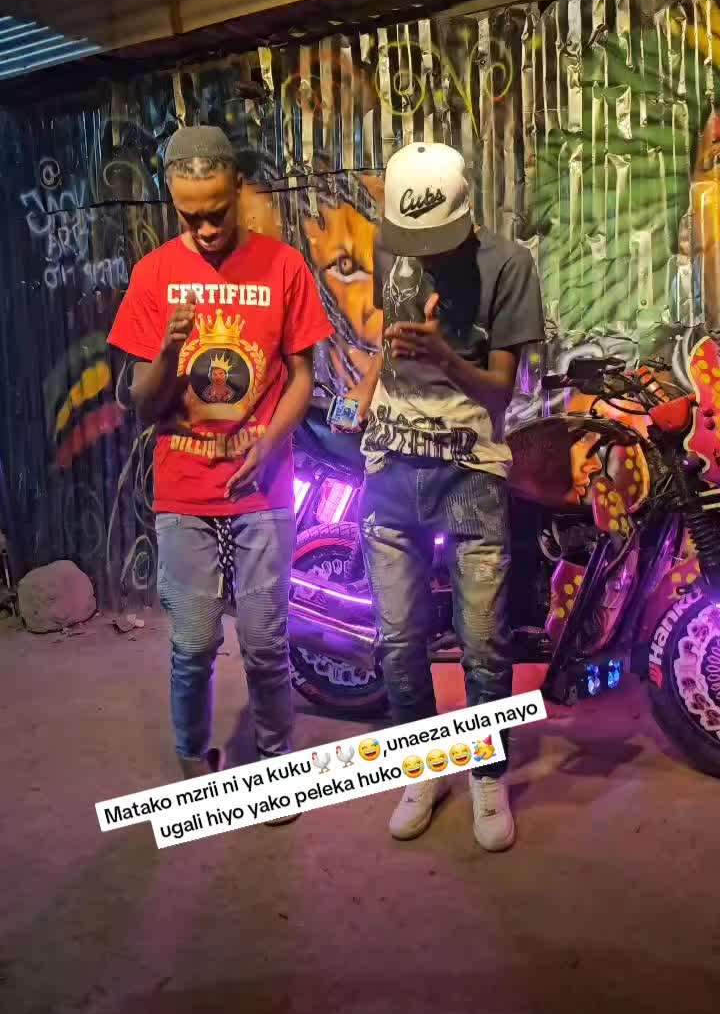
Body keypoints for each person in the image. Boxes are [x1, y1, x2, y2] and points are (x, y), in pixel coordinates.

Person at [107, 126, 333, 808]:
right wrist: (168, 352)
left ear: (238, 189)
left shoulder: (283, 267)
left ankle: (274, 764)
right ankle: (191, 754)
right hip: (184, 488)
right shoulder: (154, 276)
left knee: (265, 643)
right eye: (189, 216)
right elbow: (143, 404)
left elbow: (303, 377)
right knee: (195, 642)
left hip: (263, 487)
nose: (204, 229)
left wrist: (271, 442)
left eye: (216, 212)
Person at [350, 141, 545, 849]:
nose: (420, 256)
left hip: (472, 474)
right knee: (400, 639)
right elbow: (388, 344)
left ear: (465, 216)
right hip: (391, 468)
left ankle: (486, 774)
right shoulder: (389, 247)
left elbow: (499, 394)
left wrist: (444, 356)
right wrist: (365, 391)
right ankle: (423, 768)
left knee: (484, 641)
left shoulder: (509, 265)